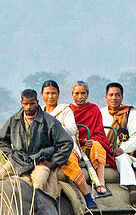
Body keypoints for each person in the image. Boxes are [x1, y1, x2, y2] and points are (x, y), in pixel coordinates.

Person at [0, 88, 74, 195]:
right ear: (21, 103)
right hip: (18, 160)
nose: (28, 107)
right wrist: (10, 155)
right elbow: (1, 139)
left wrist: (52, 163)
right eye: (25, 104)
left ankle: (38, 209)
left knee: (39, 183)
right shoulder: (14, 120)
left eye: (32, 103)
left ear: (37, 103)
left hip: (40, 161)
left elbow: (67, 143)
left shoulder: (50, 121)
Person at [41, 80, 98, 208]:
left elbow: (73, 129)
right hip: (45, 148)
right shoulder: (39, 111)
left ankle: (87, 196)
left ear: (58, 94)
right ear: (42, 95)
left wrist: (55, 128)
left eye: (53, 93)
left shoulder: (65, 110)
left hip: (65, 146)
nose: (50, 96)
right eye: (47, 93)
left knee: (69, 161)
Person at [102, 82, 136, 204]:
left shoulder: (131, 114)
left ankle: (132, 189)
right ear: (106, 97)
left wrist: (122, 149)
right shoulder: (101, 113)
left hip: (126, 153)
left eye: (117, 95)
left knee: (122, 159)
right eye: (111, 95)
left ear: (122, 97)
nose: (114, 98)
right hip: (104, 151)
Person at [68, 81, 112, 197]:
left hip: (89, 145)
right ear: (72, 95)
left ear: (87, 95)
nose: (80, 96)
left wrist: (91, 140)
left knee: (97, 145)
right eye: (77, 93)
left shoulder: (93, 109)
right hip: (74, 145)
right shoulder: (68, 110)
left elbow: (99, 132)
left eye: (83, 93)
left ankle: (101, 182)